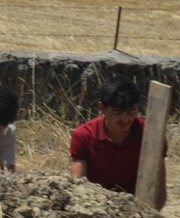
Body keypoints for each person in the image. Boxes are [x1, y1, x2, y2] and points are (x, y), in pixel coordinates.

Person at [70, 76, 167, 210]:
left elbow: (159, 191)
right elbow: (78, 187)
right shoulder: (84, 136)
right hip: (95, 210)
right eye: (117, 112)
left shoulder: (151, 137)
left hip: (137, 211)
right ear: (101, 108)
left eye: (131, 112)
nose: (125, 119)